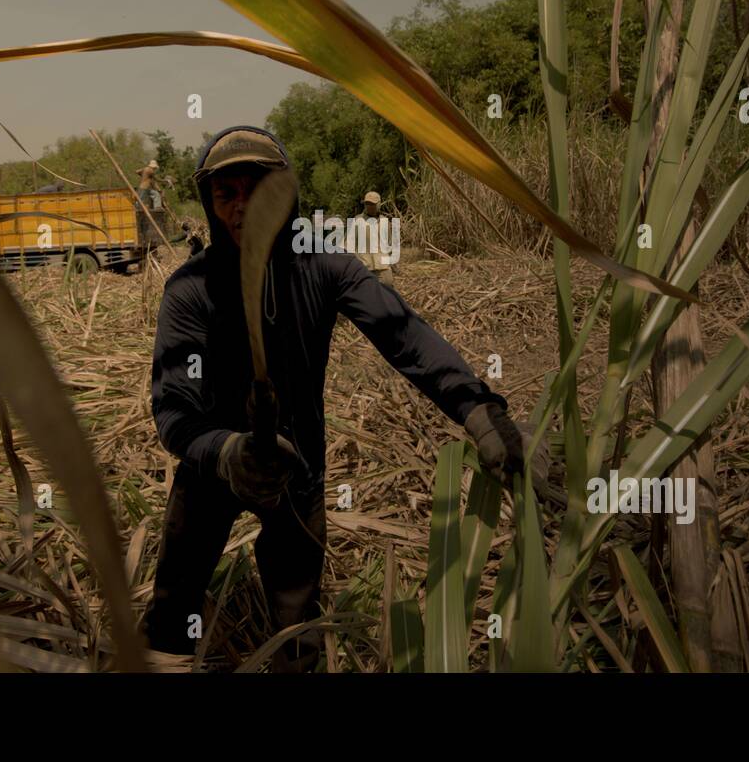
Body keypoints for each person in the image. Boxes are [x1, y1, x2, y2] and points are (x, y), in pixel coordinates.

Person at [143, 126, 524, 671]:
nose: (243, 206)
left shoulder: (323, 266)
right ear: (209, 203)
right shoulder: (191, 288)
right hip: (213, 468)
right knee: (172, 611)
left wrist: (476, 407)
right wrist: (226, 452)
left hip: (297, 464)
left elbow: (403, 335)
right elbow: (173, 407)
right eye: (226, 193)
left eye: (259, 189)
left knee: (296, 626)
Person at [352, 190, 395, 286]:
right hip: (365, 268)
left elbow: (389, 244)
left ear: (379, 204)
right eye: (367, 204)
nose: (369, 206)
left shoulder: (385, 222)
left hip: (383, 268)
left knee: (387, 296)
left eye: (372, 204)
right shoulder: (357, 221)